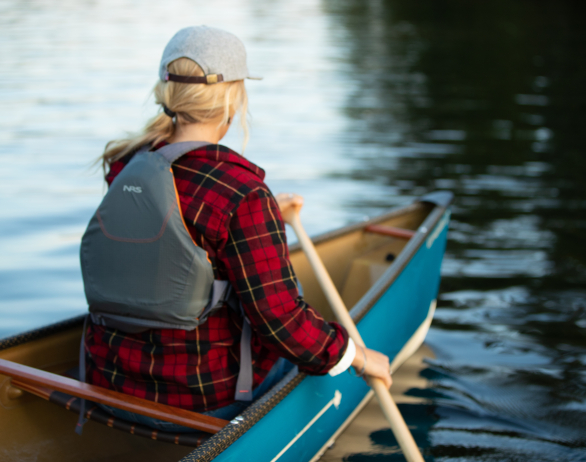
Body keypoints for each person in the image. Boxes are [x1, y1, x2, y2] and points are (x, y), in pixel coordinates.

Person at [84, 25, 391, 432]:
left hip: (110, 384)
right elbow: (280, 323)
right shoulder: (241, 193)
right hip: (204, 403)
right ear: (233, 97)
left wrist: (266, 216)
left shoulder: (125, 165)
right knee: (299, 321)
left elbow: (172, 237)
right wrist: (356, 356)